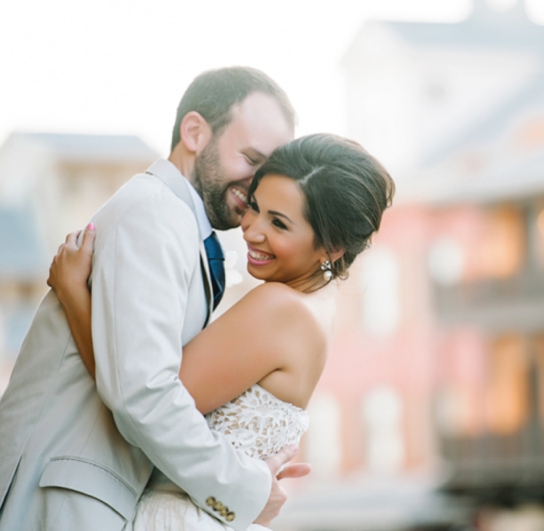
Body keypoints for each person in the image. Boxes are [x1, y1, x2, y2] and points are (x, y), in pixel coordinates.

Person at [0, 67, 302, 531]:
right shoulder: (154, 213)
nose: (259, 185)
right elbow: (142, 391)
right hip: (62, 501)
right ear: (195, 132)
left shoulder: (188, 230)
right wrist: (242, 489)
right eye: (250, 158)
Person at [48, 133, 395, 529]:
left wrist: (74, 294)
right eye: (255, 207)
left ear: (330, 248)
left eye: (278, 223)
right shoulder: (318, 306)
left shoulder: (279, 307)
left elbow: (139, 395)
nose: (251, 230)